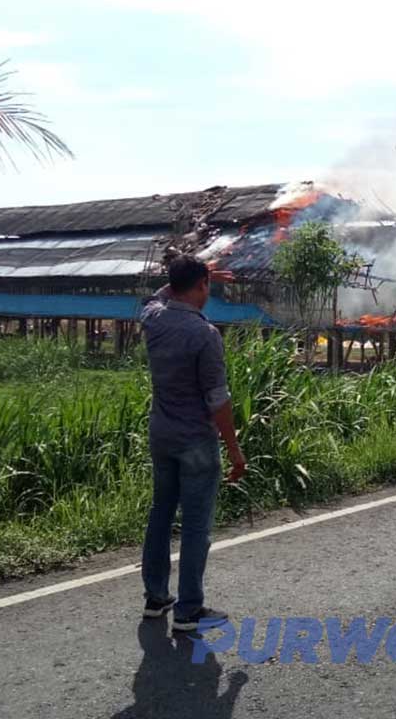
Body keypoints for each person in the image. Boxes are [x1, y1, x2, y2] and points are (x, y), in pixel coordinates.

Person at [140, 255, 246, 632]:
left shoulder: (153, 319)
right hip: (196, 442)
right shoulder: (205, 334)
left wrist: (188, 277)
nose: (210, 291)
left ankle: (156, 597)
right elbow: (217, 398)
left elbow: (154, 296)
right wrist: (234, 450)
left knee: (161, 513)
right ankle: (189, 610)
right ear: (201, 285)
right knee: (196, 526)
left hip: (162, 436)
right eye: (207, 285)